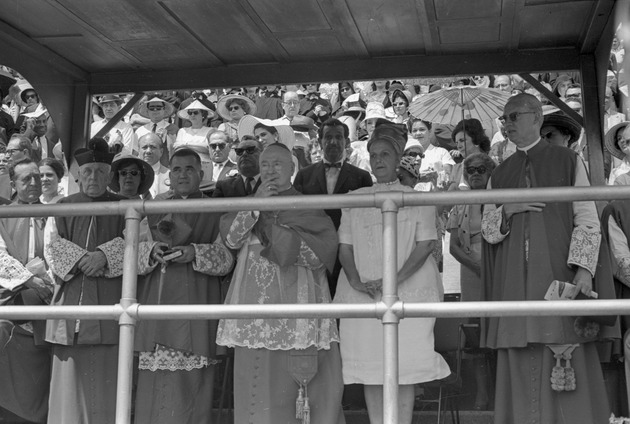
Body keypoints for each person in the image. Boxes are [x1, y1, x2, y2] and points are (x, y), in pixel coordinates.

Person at [481, 93, 613, 423]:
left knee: (567, 354)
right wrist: (507, 210)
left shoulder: (568, 161)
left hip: (559, 274)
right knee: (520, 353)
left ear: (537, 118)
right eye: (505, 119)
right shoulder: (500, 173)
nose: (507, 124)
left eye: (514, 117)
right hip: (517, 281)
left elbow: (586, 216)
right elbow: (487, 231)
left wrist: (584, 269)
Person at [216, 143, 345, 424]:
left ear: (292, 168)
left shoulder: (306, 206)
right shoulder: (246, 204)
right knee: (255, 387)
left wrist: (274, 233)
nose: (271, 170)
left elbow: (319, 256)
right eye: (265, 165)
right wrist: (256, 207)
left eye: (278, 164)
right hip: (253, 310)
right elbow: (232, 240)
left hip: (295, 308)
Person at [334, 119, 450, 424]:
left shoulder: (417, 198)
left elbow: (425, 244)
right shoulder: (354, 199)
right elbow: (344, 246)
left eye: (385, 154)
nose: (378, 160)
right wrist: (357, 281)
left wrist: (392, 281)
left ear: (399, 159)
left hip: (407, 288)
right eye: (374, 155)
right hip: (363, 292)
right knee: (371, 367)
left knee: (403, 367)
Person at [134, 148, 234, 424]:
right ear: (169, 176)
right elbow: (131, 256)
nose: (182, 175)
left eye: (189, 169)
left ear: (201, 174)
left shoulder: (216, 209)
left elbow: (226, 260)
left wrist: (195, 252)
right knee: (154, 389)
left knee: (192, 388)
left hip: (196, 306)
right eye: (176, 170)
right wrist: (151, 250)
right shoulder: (152, 209)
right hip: (157, 304)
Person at [43, 137, 126, 424]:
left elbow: (139, 244)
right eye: (88, 171)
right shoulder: (62, 205)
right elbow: (51, 246)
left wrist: (104, 255)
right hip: (72, 294)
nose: (94, 177)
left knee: (108, 377)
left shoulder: (127, 206)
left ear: (110, 175)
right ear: (78, 175)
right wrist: (82, 260)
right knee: (69, 376)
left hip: (111, 297)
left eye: (101, 172)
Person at [0, 158, 52, 423]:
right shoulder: (2, 215)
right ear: (12, 184)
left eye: (37, 177)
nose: (33, 183)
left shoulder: (56, 212)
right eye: (25, 179)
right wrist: (30, 279)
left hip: (48, 300)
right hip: (14, 301)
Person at [294, 119, 373, 294]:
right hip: (313, 250)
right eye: (328, 137)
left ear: (346, 141)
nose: (333, 141)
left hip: (349, 251)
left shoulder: (362, 177)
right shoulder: (303, 175)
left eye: (339, 137)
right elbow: (296, 214)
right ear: (320, 141)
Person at [447, 152, 496, 410]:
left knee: (498, 325)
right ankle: (481, 393)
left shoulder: (499, 199)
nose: (476, 174)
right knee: (475, 331)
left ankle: (502, 389)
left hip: (498, 266)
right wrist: (475, 266)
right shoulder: (460, 202)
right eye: (471, 170)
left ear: (490, 172)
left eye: (481, 169)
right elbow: (454, 246)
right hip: (471, 269)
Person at [174, 100, 216, 192]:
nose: (192, 115)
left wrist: (185, 145)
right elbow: (177, 148)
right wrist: (199, 147)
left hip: (204, 166)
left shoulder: (210, 131)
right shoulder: (182, 130)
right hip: (184, 167)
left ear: (203, 115)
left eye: (195, 112)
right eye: (190, 113)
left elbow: (208, 149)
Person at [449, 118, 491, 190]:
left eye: (462, 140)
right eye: (457, 143)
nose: (459, 146)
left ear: (476, 141)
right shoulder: (457, 168)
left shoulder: (489, 165)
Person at [135, 96, 177, 166]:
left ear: (164, 109)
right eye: (151, 108)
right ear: (147, 111)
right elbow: (135, 153)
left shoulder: (173, 129)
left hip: (167, 169)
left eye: (158, 108)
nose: (155, 110)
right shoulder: (140, 131)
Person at [138, 133, 170, 197]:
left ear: (161, 151)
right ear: (138, 151)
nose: (148, 151)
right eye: (144, 147)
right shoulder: (131, 175)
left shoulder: (170, 175)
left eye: (153, 147)